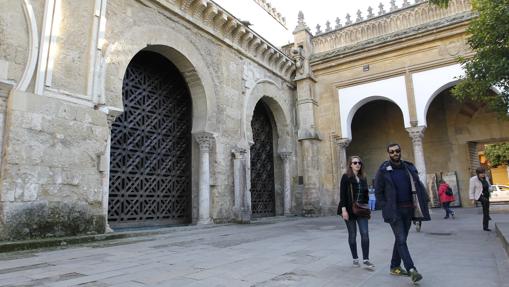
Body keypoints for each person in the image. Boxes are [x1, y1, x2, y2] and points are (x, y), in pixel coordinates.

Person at [375, 143, 430, 284]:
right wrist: (384, 206)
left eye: (397, 151)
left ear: (400, 151)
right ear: (388, 154)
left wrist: (423, 201)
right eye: (392, 152)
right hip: (394, 211)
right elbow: (378, 191)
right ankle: (412, 269)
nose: (395, 153)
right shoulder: (383, 170)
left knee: (401, 239)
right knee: (401, 239)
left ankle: (394, 266)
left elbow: (418, 185)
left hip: (409, 209)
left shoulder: (408, 167)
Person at [337, 156, 375, 270]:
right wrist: (344, 210)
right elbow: (342, 194)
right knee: (352, 235)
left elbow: (366, 194)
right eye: (355, 163)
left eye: (359, 162)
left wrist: (367, 207)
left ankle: (366, 259)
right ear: (350, 165)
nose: (357, 164)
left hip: (361, 209)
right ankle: (355, 258)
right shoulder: (346, 177)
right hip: (349, 209)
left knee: (365, 233)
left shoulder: (363, 177)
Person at [469, 167, 492, 231]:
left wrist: (490, 189)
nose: (483, 175)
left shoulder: (486, 178)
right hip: (479, 195)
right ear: (477, 174)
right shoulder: (473, 179)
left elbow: (489, 186)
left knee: (486, 210)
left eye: (483, 173)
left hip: (486, 195)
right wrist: (472, 199)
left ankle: (485, 227)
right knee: (485, 201)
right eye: (481, 173)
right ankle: (487, 215)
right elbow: (471, 190)